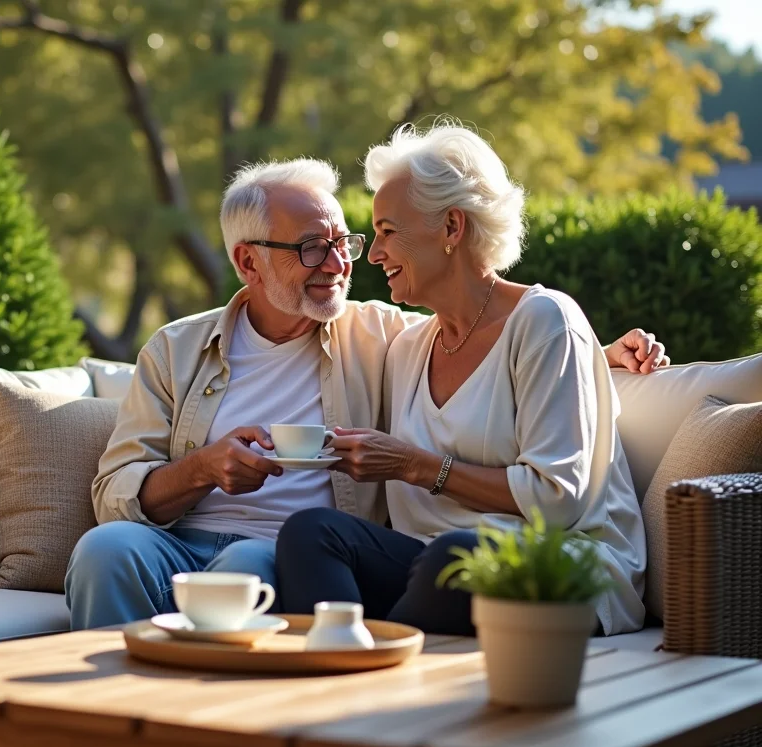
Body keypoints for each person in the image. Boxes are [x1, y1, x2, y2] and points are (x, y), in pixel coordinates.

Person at [67, 155, 665, 631]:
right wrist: (202, 468)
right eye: (311, 247)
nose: (341, 264)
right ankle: (101, 720)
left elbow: (495, 334)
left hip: (276, 550)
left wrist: (596, 353)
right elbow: (113, 493)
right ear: (248, 263)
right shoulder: (175, 350)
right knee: (105, 550)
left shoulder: (380, 334)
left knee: (252, 561)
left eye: (344, 242)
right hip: (177, 541)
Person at [275, 122, 659, 637]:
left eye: (388, 231)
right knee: (311, 533)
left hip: (560, 563)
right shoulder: (409, 348)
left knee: (456, 559)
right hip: (434, 564)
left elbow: (558, 499)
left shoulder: (545, 322)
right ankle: (344, 656)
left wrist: (414, 466)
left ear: (452, 227)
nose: (374, 254)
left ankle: (371, 664)